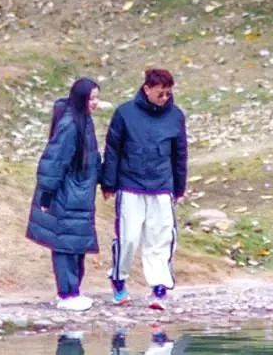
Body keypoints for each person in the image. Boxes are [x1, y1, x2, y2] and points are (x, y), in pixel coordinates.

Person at [102, 67, 187, 312]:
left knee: (160, 237)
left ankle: (159, 287)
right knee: (128, 237)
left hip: (162, 186)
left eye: (168, 94)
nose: (165, 98)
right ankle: (118, 280)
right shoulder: (124, 113)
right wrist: (108, 183)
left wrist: (179, 187)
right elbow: (112, 150)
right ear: (147, 89)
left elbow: (179, 154)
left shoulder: (175, 116)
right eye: (160, 93)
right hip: (130, 184)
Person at [27, 76, 101, 312]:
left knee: (75, 244)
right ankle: (67, 293)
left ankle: (74, 291)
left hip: (80, 193)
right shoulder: (70, 125)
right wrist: (47, 194)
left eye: (97, 98)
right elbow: (54, 160)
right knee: (65, 243)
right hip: (67, 194)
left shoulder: (84, 121)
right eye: (92, 99)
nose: (95, 103)